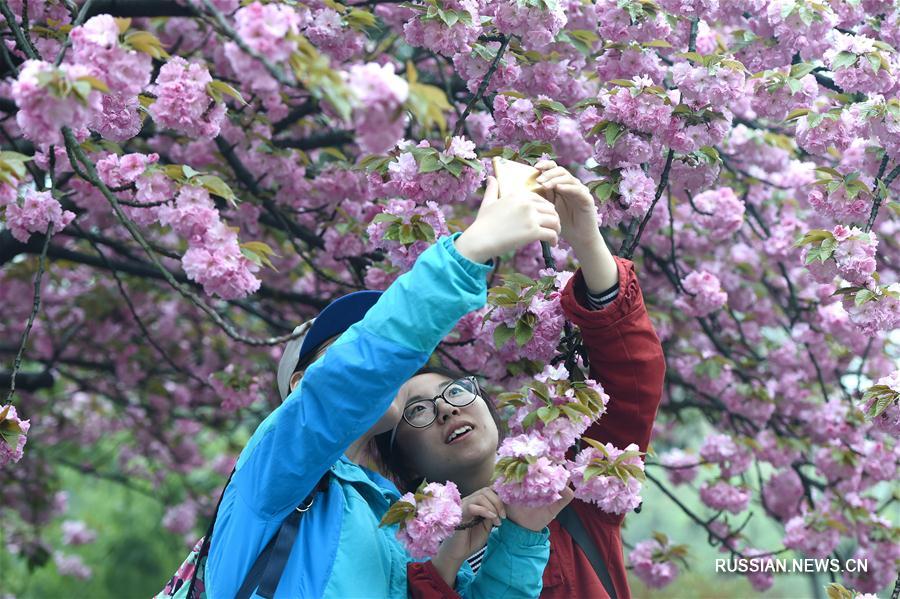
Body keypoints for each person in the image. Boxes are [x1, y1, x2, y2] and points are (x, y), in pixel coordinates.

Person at [201, 175, 572, 598]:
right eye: (348, 344)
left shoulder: (397, 523)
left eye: (368, 335)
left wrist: (519, 537)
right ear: (301, 386)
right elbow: (353, 375)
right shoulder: (277, 467)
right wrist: (466, 254)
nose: (384, 367)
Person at [375, 160, 667, 599]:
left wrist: (586, 238)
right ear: (407, 464)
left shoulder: (570, 492)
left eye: (454, 391)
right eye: (417, 411)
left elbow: (634, 381)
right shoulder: (400, 558)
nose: (446, 409)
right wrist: (445, 562)